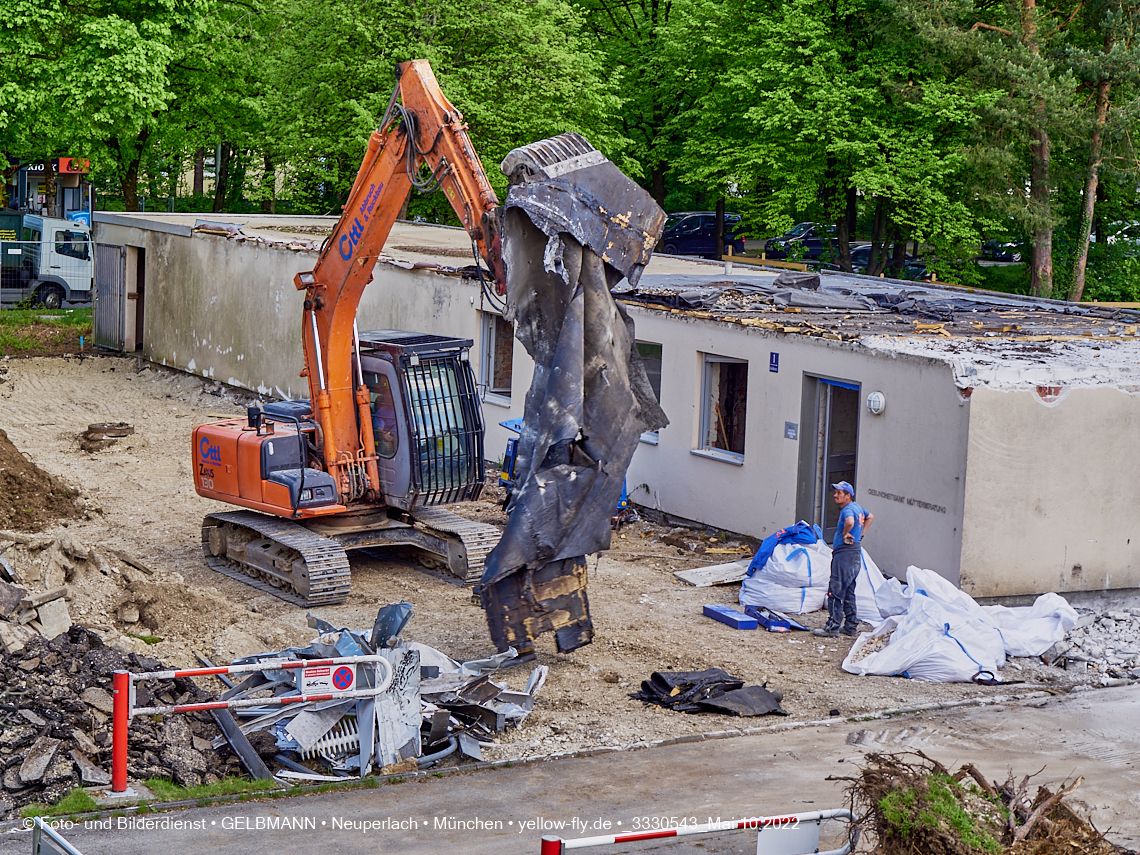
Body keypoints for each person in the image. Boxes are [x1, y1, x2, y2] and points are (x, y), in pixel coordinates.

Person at [813, 481, 873, 638]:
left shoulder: (848, 510)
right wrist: (861, 534)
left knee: (836, 590)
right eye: (835, 492)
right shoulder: (858, 508)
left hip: (844, 553)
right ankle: (851, 626)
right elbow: (870, 517)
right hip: (854, 553)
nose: (835, 495)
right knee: (849, 591)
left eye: (839, 493)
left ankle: (832, 627)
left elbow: (850, 522)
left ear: (848, 495)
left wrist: (846, 533)